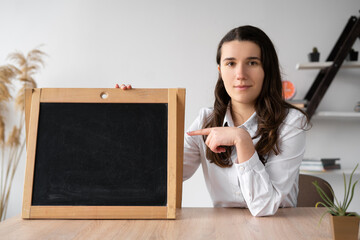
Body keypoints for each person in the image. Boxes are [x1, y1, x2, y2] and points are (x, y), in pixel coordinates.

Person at [116, 25, 309, 217]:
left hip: (279, 228)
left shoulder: (292, 123)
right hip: (222, 228)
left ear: (267, 69)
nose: (240, 74)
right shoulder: (205, 120)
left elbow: (264, 206)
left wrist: (241, 139)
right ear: (220, 70)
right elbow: (160, 176)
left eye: (252, 63)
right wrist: (132, 114)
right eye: (231, 63)